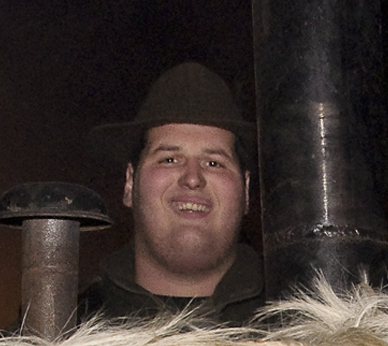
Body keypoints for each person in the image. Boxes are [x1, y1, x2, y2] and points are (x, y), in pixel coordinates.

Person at [81, 63, 264, 325]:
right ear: (130, 183)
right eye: (169, 159)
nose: (193, 178)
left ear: (246, 191)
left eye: (214, 163)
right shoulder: (63, 327)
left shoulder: (306, 325)